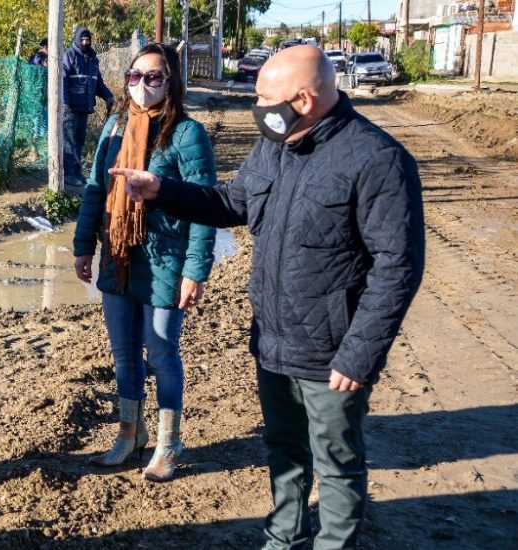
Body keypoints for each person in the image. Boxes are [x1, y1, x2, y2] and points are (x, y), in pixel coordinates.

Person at [113, 45, 425, 549]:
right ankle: (285, 537)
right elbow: (232, 202)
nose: (257, 106)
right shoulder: (276, 144)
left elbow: (398, 268)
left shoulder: (377, 160)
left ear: (303, 99)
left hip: (334, 354)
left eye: (264, 97)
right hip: (275, 341)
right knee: (284, 452)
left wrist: (360, 353)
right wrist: (162, 189)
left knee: (337, 462)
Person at [72, 43, 217, 482]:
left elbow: (205, 206)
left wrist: (196, 269)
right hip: (118, 257)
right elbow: (96, 189)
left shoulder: (187, 134)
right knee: (123, 354)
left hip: (165, 261)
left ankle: (168, 444)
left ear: (171, 81)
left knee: (162, 352)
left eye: (153, 77)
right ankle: (129, 435)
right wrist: (83, 245)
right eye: (135, 77)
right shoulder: (114, 127)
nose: (142, 85)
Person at [62, 27, 115, 187]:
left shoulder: (92, 58)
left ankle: (76, 171)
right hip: (70, 107)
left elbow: (97, 81)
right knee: (69, 141)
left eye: (87, 40)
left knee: (79, 140)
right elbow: (62, 80)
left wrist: (108, 96)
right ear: (77, 39)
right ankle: (68, 174)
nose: (85, 42)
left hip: (85, 107)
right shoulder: (69, 55)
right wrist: (64, 102)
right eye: (82, 40)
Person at [28, 38, 50, 141]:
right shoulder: (39, 57)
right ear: (46, 47)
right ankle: (41, 137)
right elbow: (43, 62)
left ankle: (38, 136)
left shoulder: (34, 57)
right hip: (39, 91)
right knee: (42, 115)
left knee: (38, 115)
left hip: (38, 91)